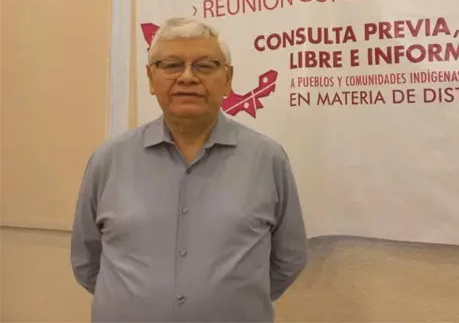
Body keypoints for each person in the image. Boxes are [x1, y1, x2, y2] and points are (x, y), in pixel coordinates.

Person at [70, 17, 308, 323]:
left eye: (205, 66)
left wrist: (231, 301)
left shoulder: (267, 159)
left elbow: (288, 259)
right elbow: (87, 262)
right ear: (151, 78)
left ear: (228, 78)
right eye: (171, 65)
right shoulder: (108, 160)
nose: (187, 77)